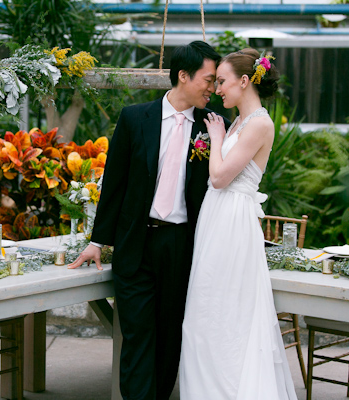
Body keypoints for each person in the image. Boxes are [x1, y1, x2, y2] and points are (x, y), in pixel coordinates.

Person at [68, 41, 230, 400]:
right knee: (138, 337)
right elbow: (115, 183)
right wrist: (98, 241)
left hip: (182, 247)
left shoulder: (215, 126)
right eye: (208, 79)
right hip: (136, 246)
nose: (213, 88)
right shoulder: (133, 118)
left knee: (170, 338)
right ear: (183, 76)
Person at [179, 48, 298, 399]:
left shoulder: (260, 122)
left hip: (232, 222)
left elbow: (219, 178)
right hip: (217, 218)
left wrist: (214, 140)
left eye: (223, 81)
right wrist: (220, 135)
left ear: (245, 81)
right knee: (205, 310)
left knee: (225, 311)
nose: (217, 89)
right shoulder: (238, 121)